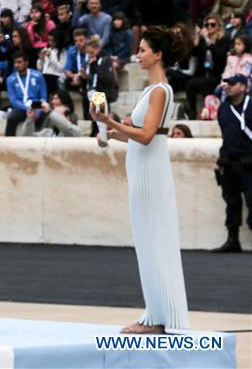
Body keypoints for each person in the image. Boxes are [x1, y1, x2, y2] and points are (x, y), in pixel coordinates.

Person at [91, 26, 189, 333]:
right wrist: (107, 130)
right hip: (142, 173)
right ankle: (155, 314)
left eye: (143, 50)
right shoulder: (150, 90)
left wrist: (110, 123)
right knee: (147, 244)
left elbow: (146, 136)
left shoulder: (161, 90)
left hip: (151, 175)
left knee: (156, 242)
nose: (138, 55)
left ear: (158, 54)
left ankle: (162, 319)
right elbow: (136, 136)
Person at [212, 75, 252, 253]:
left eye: (233, 84)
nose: (227, 87)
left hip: (249, 161)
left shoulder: (250, 105)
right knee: (231, 201)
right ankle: (232, 239)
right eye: (226, 84)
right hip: (229, 161)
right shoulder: (224, 108)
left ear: (243, 87)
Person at [5, 52, 48, 136]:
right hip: (21, 107)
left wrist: (37, 109)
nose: (16, 65)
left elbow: (43, 96)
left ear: (26, 62)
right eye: (15, 62)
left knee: (46, 116)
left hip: (36, 106)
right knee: (11, 118)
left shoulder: (38, 76)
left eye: (19, 62)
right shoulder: (10, 79)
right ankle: (8, 144)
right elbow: (14, 101)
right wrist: (27, 108)